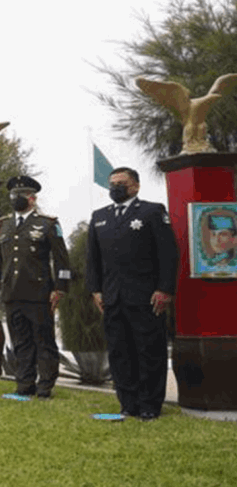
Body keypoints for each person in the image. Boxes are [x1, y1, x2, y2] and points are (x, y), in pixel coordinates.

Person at [86, 166, 178, 420]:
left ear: (135, 186)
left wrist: (164, 289)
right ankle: (128, 403)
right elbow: (93, 258)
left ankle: (150, 405)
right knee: (119, 352)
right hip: (112, 297)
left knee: (149, 351)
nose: (115, 187)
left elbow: (168, 254)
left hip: (146, 297)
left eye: (121, 183)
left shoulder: (152, 211)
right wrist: (95, 289)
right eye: (112, 183)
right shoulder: (99, 216)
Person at [0, 175, 70, 399]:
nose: (16, 198)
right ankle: (24, 384)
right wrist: (0, 284)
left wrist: (60, 288)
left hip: (39, 293)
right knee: (20, 342)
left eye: (21, 195)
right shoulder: (2, 226)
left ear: (32, 198)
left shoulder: (48, 224)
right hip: (12, 293)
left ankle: (45, 385)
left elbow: (62, 260)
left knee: (44, 341)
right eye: (13, 195)